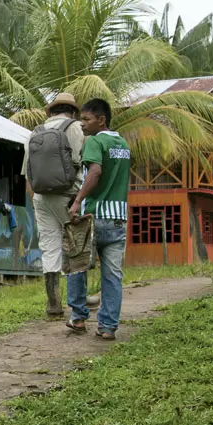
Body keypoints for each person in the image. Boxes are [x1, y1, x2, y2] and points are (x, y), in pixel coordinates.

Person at [66, 98, 131, 340]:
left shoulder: (95, 141)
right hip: (118, 219)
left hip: (94, 217)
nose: (82, 124)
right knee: (112, 274)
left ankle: (79, 317)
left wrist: (76, 201)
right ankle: (107, 327)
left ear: (101, 120)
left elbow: (95, 172)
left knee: (77, 264)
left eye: (86, 119)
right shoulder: (123, 144)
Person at [23, 92, 84, 318]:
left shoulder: (34, 134)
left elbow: (27, 175)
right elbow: (83, 163)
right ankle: (79, 299)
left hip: (40, 198)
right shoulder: (76, 128)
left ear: (51, 111)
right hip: (69, 196)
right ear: (73, 111)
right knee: (77, 246)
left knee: (50, 248)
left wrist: (35, 204)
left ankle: (53, 303)